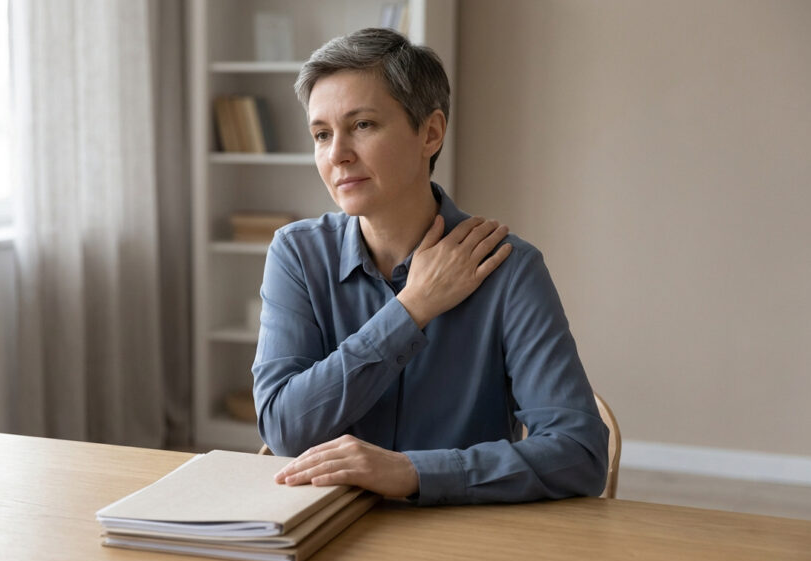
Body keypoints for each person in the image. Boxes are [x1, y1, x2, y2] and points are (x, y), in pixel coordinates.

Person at [252, 27, 608, 505]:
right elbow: (283, 429)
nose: (336, 154)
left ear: (431, 132)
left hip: (460, 533)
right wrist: (412, 308)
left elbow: (579, 454)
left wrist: (411, 472)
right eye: (321, 134)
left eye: (362, 125)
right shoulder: (297, 254)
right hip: (324, 529)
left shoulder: (509, 269)